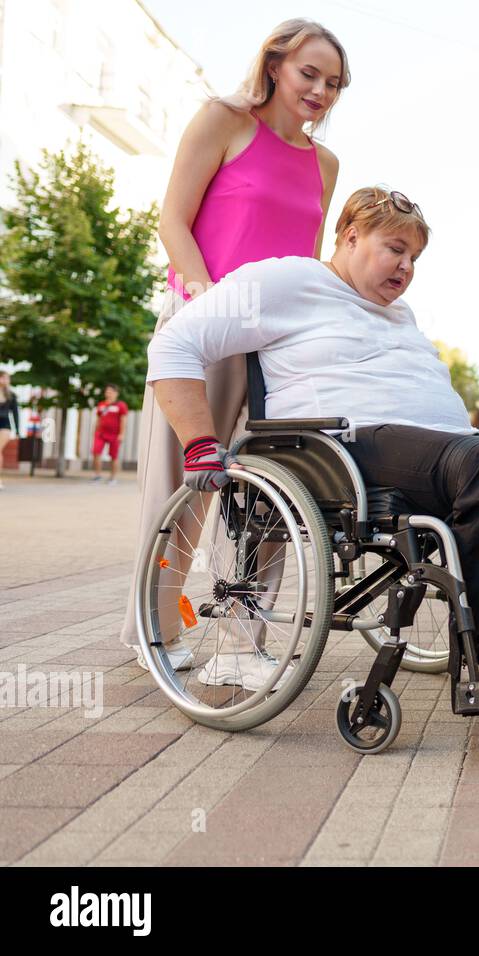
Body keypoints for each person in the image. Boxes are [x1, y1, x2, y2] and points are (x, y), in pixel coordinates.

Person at [144, 187, 479, 696]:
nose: (407, 266)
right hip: (345, 448)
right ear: (350, 236)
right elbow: (176, 342)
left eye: (413, 257)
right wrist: (198, 442)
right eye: (395, 248)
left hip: (441, 447)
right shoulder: (286, 279)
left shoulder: (400, 314)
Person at [119, 18, 349, 669]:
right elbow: (173, 218)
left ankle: (248, 626)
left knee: (278, 484)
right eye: (310, 74)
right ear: (275, 64)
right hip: (207, 324)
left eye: (333, 83)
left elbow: (306, 255)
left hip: (277, 341)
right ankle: (156, 628)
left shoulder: (324, 163)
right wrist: (205, 298)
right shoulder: (222, 119)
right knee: (187, 480)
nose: (320, 91)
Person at [90, 385, 129, 484]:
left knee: (113, 456)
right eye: (107, 392)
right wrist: (95, 431)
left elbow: (123, 420)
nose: (108, 394)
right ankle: (97, 475)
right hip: (101, 434)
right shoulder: (101, 405)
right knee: (96, 452)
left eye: (111, 392)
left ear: (116, 393)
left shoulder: (121, 405)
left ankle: (113, 478)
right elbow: (98, 419)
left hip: (115, 435)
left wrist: (122, 434)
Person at [0, 371, 19, 491]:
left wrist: (17, 430)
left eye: (7, 378)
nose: (7, 380)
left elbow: (16, 414)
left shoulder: (11, 395)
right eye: (5, 378)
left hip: (5, 425)